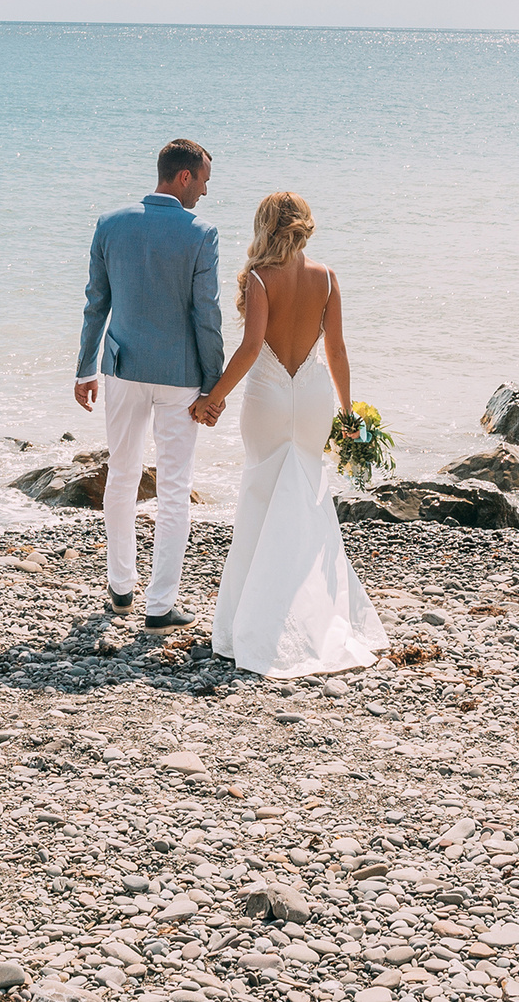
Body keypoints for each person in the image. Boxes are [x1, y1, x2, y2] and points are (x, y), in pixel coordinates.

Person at [189, 192, 388, 677]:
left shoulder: (259, 278)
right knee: (308, 495)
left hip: (269, 399)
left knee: (261, 495)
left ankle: (255, 619)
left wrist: (212, 398)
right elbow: (336, 351)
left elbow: (252, 346)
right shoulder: (327, 278)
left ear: (265, 226)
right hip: (316, 397)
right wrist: (348, 414)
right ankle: (318, 612)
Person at [74, 138, 225, 630]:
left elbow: (97, 302)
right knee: (175, 488)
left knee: (121, 475)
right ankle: (160, 605)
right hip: (181, 377)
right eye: (202, 179)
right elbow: (207, 316)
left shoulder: (110, 224)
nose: (204, 190)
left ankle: (121, 588)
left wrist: (85, 369)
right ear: (183, 176)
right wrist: (214, 385)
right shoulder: (202, 233)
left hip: (121, 368)